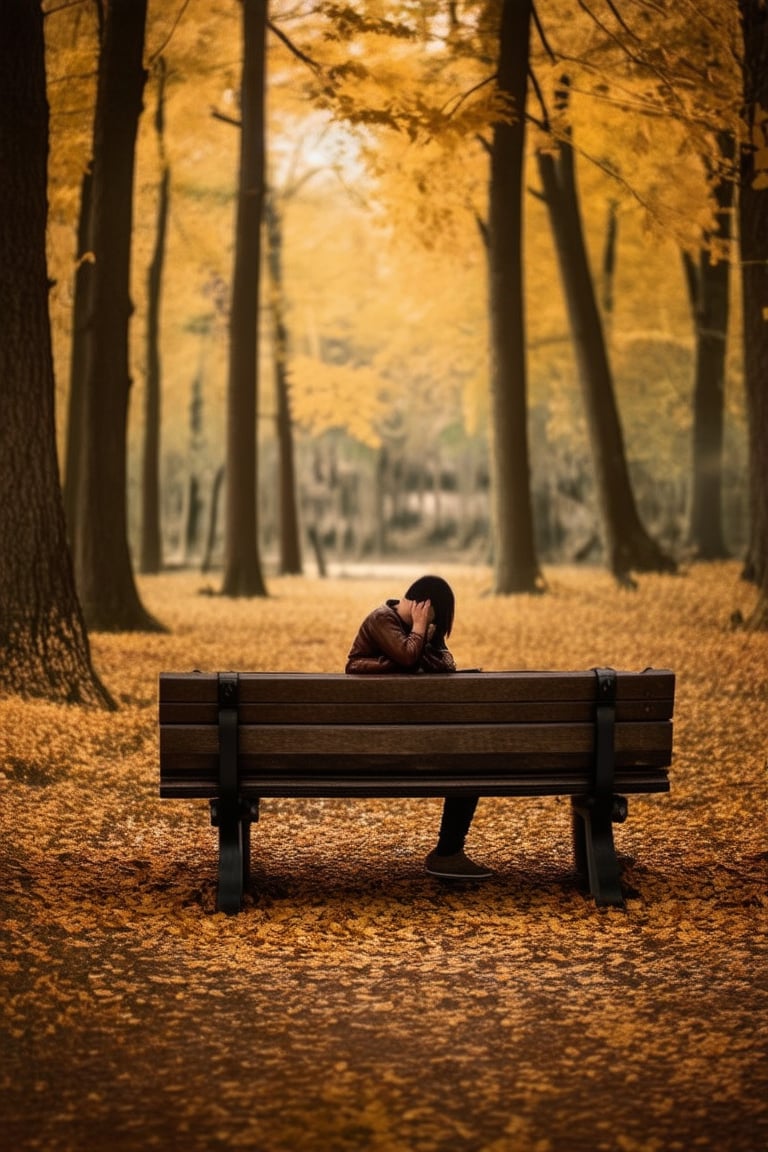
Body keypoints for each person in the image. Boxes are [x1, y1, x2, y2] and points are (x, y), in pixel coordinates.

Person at [345, 574, 492, 880]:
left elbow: (446, 662)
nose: (430, 627)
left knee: (469, 762)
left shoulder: (412, 633)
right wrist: (421, 629)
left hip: (400, 743)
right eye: (431, 617)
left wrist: (425, 638)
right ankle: (448, 852)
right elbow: (410, 659)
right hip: (375, 748)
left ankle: (449, 853)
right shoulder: (381, 620)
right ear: (421, 606)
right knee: (469, 765)